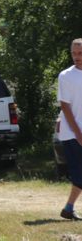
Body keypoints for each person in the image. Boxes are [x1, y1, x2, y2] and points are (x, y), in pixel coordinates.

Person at [54, 39, 82, 221]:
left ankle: (68, 208)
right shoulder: (65, 76)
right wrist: (78, 134)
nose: (77, 57)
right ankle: (68, 208)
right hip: (72, 133)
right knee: (79, 174)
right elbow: (65, 106)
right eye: (74, 53)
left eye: (80, 54)